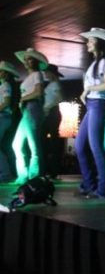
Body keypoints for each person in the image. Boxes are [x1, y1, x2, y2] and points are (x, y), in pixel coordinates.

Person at [75, 28, 105, 198]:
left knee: (96, 147)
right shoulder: (95, 63)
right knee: (79, 146)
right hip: (93, 105)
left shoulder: (104, 61)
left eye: (91, 40)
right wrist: (86, 93)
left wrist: (88, 89)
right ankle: (89, 184)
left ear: (99, 43)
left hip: (99, 104)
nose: (88, 43)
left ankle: (104, 189)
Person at [12, 48, 49, 184]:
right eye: (26, 59)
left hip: (33, 108)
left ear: (36, 62)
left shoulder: (37, 74)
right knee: (16, 144)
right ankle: (23, 175)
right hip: (27, 110)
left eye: (30, 59)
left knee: (33, 143)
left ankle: (34, 176)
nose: (26, 61)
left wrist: (23, 98)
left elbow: (39, 92)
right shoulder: (29, 77)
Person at [42, 64, 64, 179]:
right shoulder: (51, 84)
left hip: (52, 113)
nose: (45, 74)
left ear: (52, 73)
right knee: (50, 140)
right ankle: (51, 169)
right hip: (50, 113)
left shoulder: (55, 84)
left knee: (53, 141)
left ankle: (53, 170)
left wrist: (47, 107)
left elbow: (59, 98)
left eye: (47, 72)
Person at [0, 61, 20, 183]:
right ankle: (5, 173)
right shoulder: (4, 85)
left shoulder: (5, 85)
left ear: (6, 73)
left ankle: (5, 174)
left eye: (1, 71)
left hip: (3, 117)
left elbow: (6, 102)